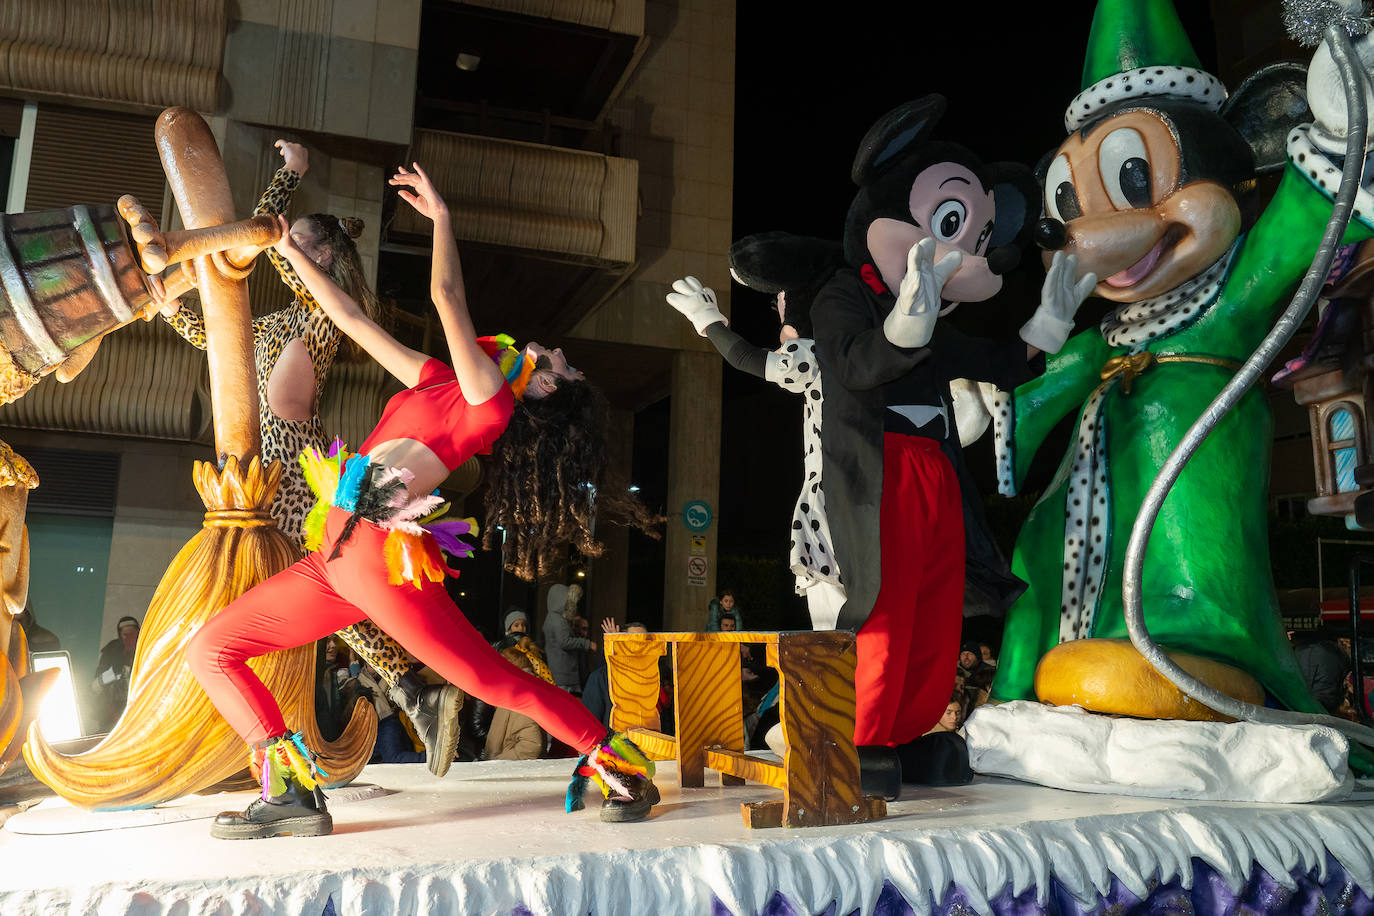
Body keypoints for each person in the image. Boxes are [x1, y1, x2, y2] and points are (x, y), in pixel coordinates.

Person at [186, 162, 658, 839]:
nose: (557, 350)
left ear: (547, 391)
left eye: (563, 364)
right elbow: (350, 319)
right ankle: (290, 791)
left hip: (380, 562)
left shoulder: (487, 399)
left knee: (495, 680)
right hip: (336, 558)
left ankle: (620, 760)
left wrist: (441, 218)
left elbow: (445, 296)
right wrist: (290, 252)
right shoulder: (439, 380)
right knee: (213, 649)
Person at [159, 139, 464, 776]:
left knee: (328, 579)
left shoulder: (318, 314)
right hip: (265, 472)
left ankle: (412, 686)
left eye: (299, 242)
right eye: (287, 240)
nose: (284, 246)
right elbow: (218, 340)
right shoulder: (273, 325)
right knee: (304, 583)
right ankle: (404, 689)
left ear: (322, 258)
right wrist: (169, 311)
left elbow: (274, 241)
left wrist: (288, 176)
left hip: (302, 468)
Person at [91, 616, 139, 732]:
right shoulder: (110, 654)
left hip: (140, 716)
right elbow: (95, 687)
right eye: (125, 635)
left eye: (133, 635)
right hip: (112, 720)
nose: (129, 639)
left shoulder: (147, 650)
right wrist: (113, 673)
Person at [544, 583, 594, 692]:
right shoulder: (558, 620)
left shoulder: (553, 619)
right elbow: (564, 641)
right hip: (563, 676)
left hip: (563, 674)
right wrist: (587, 644)